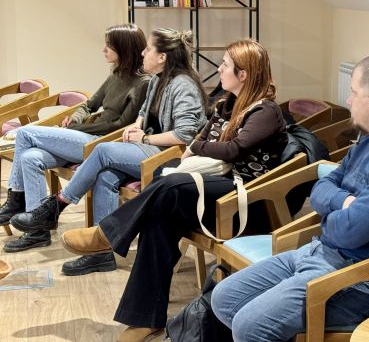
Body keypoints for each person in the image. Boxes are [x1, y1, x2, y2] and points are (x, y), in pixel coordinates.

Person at [60, 39, 289, 342]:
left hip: (247, 200)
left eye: (225, 64)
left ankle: (107, 234)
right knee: (157, 222)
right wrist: (198, 146)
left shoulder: (266, 111)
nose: (219, 69)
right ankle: (145, 321)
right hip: (216, 193)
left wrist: (197, 147)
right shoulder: (226, 105)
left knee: (170, 183)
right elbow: (202, 139)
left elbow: (232, 150)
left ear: (243, 74)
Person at [204, 54, 369, 341]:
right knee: (224, 297)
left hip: (359, 277)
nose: (349, 100)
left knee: (249, 325)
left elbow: (347, 232)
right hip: (321, 252)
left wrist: (332, 213)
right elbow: (322, 186)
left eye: (354, 92)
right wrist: (343, 203)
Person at [10, 28, 208, 276]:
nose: (143, 53)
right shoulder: (159, 79)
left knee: (102, 150)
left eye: (148, 49)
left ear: (162, 57)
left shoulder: (183, 85)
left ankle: (57, 205)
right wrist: (137, 126)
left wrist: (144, 137)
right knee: (105, 176)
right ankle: (101, 254)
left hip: (169, 157)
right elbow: (142, 113)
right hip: (147, 148)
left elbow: (184, 135)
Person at [0, 23, 150, 253]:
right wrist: (76, 117)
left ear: (124, 48)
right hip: (83, 136)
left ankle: (15, 200)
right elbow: (89, 105)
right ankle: (38, 232)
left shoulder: (144, 83)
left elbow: (120, 125)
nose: (104, 49)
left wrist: (81, 127)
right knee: (30, 158)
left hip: (102, 145)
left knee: (25, 133)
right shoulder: (116, 74)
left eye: (109, 45)